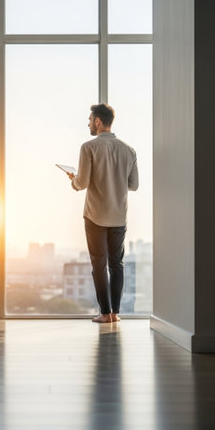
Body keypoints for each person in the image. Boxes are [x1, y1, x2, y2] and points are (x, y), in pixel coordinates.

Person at [67, 104, 138, 323]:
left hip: (95, 215)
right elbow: (133, 185)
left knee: (99, 264)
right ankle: (115, 314)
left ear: (98, 121)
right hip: (118, 216)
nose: (88, 123)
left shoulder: (88, 147)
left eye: (90, 119)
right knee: (117, 265)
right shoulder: (129, 150)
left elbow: (82, 182)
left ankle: (105, 313)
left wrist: (73, 180)